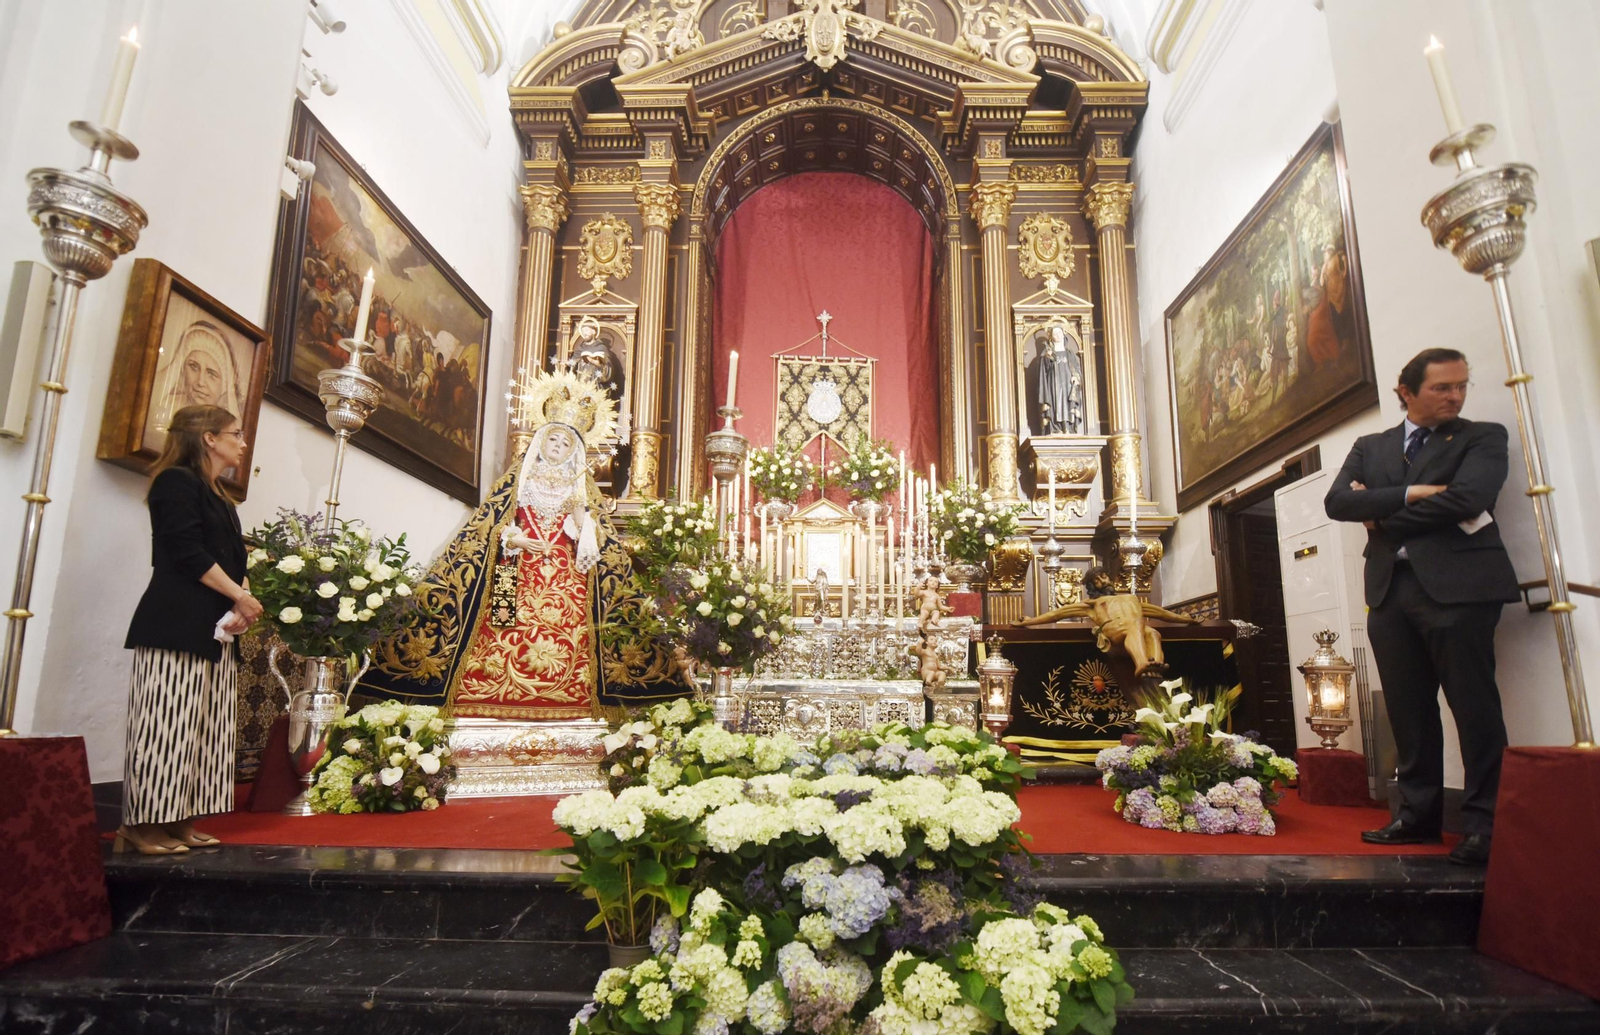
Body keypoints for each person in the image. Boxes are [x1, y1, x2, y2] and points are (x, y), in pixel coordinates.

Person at [1324, 348, 1518, 866]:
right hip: (1391, 590)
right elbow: (1339, 503)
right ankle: (1416, 815)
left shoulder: (1481, 437)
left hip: (1459, 588)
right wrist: (1414, 492)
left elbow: (1469, 500)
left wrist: (1383, 512)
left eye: (1461, 386)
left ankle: (1483, 824)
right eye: (1442, 388)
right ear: (1406, 393)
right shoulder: (1372, 445)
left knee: (1474, 708)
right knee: (1409, 710)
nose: (1455, 396)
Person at [120, 405, 263, 855]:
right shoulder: (176, 482)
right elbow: (186, 552)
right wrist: (238, 596)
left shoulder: (220, 494)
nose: (242, 442)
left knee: (203, 728)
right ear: (208, 438)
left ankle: (180, 819)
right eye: (235, 434)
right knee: (164, 725)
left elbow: (231, 559)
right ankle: (141, 825)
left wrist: (243, 596)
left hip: (215, 628)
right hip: (176, 622)